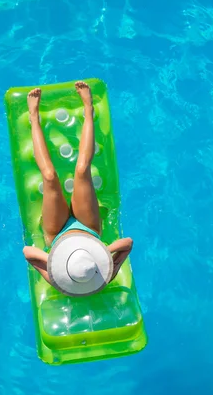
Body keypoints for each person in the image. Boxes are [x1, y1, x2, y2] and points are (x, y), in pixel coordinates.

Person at [23, 81, 133, 295]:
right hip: (88, 228)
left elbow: (28, 252)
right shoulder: (104, 276)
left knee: (49, 176)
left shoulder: (58, 283)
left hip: (56, 234)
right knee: (82, 170)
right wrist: (102, 253)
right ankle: (88, 110)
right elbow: (127, 243)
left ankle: (34, 118)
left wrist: (54, 261)